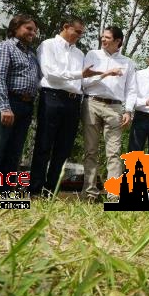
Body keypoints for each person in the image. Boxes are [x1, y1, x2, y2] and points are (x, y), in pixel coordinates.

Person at [30, 16, 102, 195]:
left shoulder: (79, 53)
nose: (79, 36)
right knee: (44, 143)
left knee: (63, 148)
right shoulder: (48, 45)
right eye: (77, 31)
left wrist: (103, 75)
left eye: (81, 33)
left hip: (73, 101)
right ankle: (35, 188)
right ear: (65, 27)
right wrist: (79, 74)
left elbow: (83, 79)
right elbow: (50, 73)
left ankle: (51, 189)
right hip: (52, 97)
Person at [0, 14, 40, 183]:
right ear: (15, 28)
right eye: (28, 28)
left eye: (34, 30)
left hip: (27, 105)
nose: (32, 33)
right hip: (9, 102)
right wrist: (5, 107)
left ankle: (5, 191)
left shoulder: (31, 54)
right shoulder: (5, 47)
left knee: (15, 151)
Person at [80, 26, 136, 202]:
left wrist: (129, 110)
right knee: (90, 150)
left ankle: (114, 196)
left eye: (107, 37)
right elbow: (84, 83)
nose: (103, 40)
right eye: (102, 37)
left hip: (115, 108)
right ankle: (89, 193)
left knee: (113, 152)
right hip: (92, 104)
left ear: (118, 41)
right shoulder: (92, 55)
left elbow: (132, 89)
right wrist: (105, 74)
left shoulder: (128, 63)